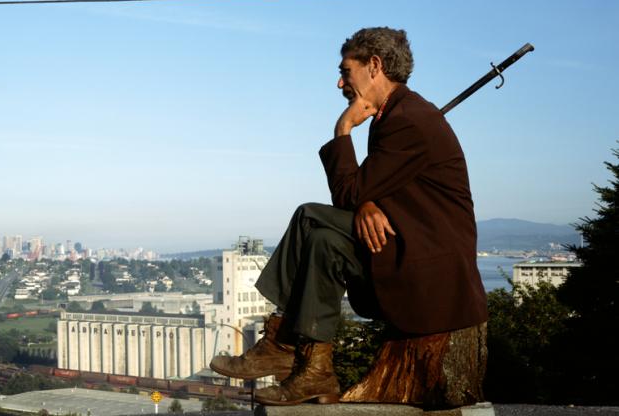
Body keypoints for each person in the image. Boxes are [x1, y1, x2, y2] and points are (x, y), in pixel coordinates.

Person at [209, 27, 488, 405]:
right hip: (409, 253)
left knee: (310, 217)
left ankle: (280, 340)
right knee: (325, 242)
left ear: (374, 66)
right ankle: (316, 373)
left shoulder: (409, 120)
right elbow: (367, 191)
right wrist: (367, 203)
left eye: (346, 71)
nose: (340, 82)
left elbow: (348, 193)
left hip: (431, 275)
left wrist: (342, 130)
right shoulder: (395, 117)